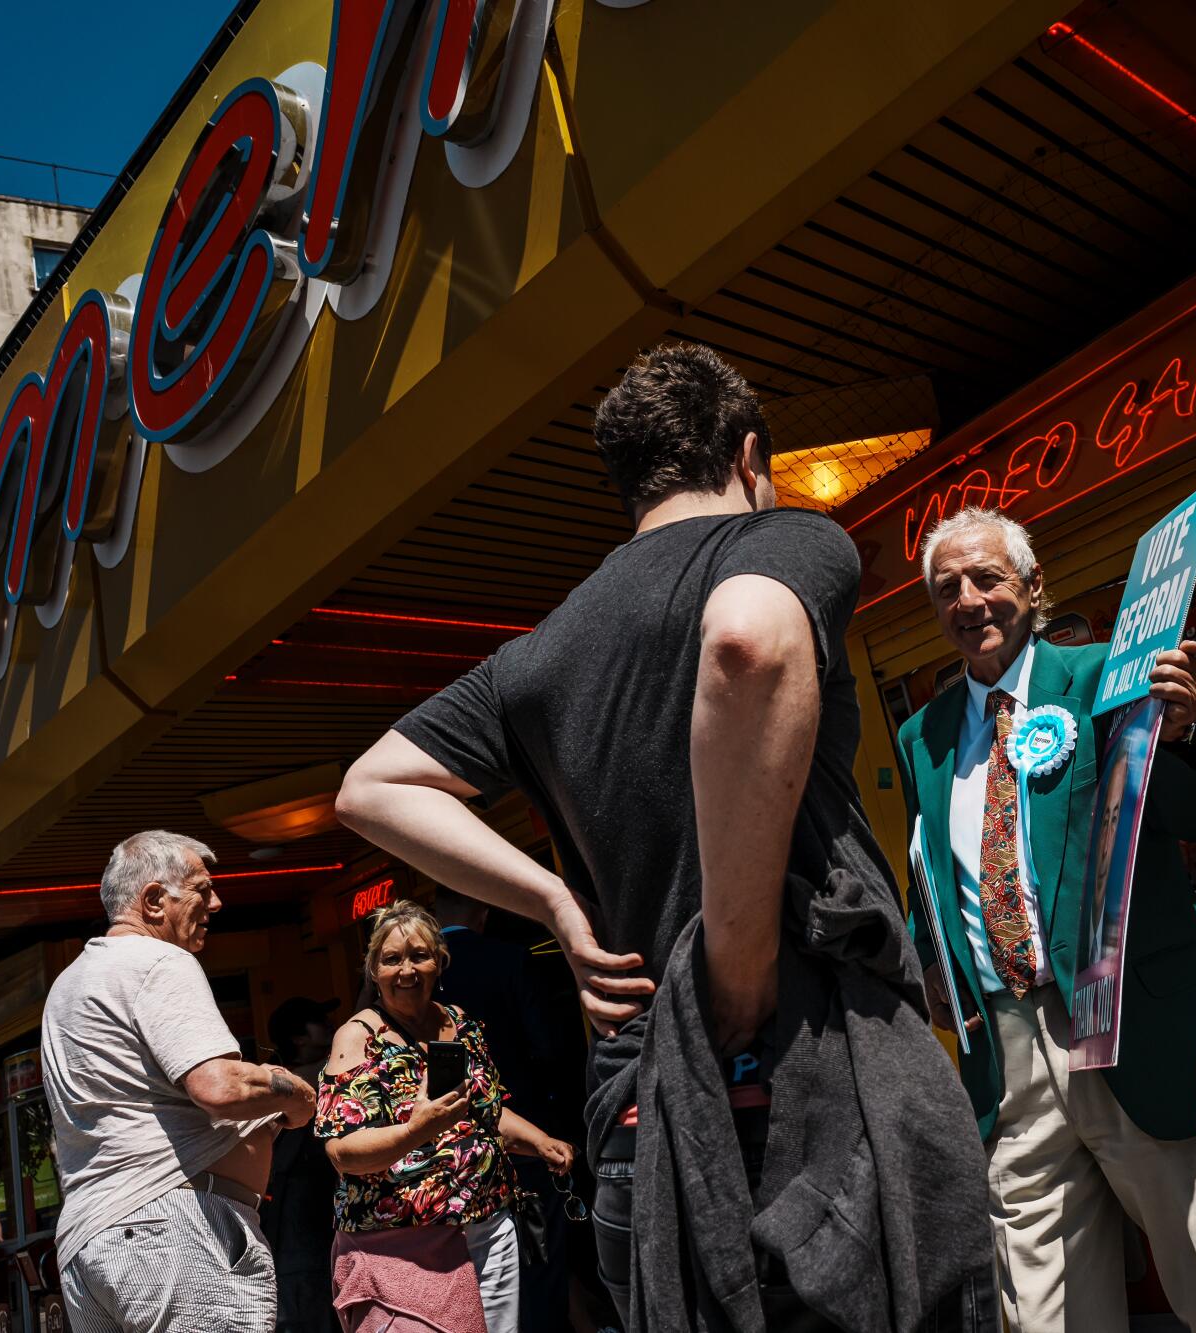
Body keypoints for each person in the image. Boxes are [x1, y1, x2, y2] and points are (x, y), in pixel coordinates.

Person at [336, 341, 997, 1332]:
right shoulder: (781, 540)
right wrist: (735, 968)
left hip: (637, 1127)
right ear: (746, 455)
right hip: (808, 1080)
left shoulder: (537, 653)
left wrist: (556, 903)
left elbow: (371, 785)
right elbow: (746, 640)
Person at [900, 507, 1196, 1333]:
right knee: (1043, 1319)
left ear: (1035, 587)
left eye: (987, 579)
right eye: (946, 588)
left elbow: (1188, 818)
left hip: (1133, 1024)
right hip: (1007, 1061)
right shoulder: (920, 735)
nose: (967, 600)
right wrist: (931, 964)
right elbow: (928, 867)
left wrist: (1174, 735)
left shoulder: (1112, 672)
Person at [41, 831, 317, 1333]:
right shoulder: (160, 961)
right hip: (171, 1233)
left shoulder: (69, 983)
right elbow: (220, 1088)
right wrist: (294, 1092)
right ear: (152, 900)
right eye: (201, 889)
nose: (216, 902)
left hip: (93, 1241)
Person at [315, 898, 575, 1333]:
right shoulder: (358, 1037)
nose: (407, 970)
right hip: (404, 1244)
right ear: (374, 971)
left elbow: (485, 1112)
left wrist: (540, 1141)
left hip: (488, 1227)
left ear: (440, 960)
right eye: (392, 959)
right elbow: (343, 1152)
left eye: (419, 956)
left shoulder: (459, 1023)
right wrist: (419, 1129)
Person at [432, 889, 578, 1333]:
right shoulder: (510, 959)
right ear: (483, 908)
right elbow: (547, 1046)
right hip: (521, 1124)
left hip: (455, 1146)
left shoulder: (430, 985)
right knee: (539, 1253)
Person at [262, 996, 342, 1333]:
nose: (330, 1024)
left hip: (326, 1226)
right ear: (297, 1038)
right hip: (296, 1231)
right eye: (318, 1020)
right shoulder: (285, 1084)